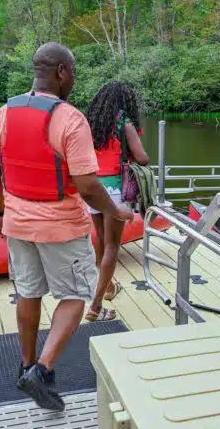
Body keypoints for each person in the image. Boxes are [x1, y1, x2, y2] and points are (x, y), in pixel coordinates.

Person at [0, 42, 134, 412]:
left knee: (28, 293)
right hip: (61, 227)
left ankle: (26, 365)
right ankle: (43, 370)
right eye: (74, 73)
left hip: (17, 224)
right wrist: (117, 210)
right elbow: (87, 185)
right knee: (75, 296)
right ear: (61, 72)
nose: (74, 81)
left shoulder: (2, 115)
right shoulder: (70, 119)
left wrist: (0, 212)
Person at [83, 82, 149, 322]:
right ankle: (96, 304)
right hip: (115, 190)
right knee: (112, 246)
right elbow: (142, 158)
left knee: (102, 240)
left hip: (92, 187)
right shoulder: (125, 124)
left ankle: (109, 285)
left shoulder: (90, 124)